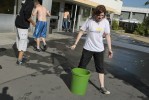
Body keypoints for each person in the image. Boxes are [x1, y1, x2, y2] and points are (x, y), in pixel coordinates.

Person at [71, 5, 113, 94]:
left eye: (102, 15)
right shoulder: (89, 20)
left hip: (99, 49)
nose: (100, 17)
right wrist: (75, 44)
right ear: (95, 13)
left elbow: (108, 35)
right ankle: (78, 83)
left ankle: (102, 87)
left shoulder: (105, 22)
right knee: (82, 66)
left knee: (100, 68)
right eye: (99, 15)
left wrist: (110, 49)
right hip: (88, 48)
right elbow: (81, 31)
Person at [15, 0, 35, 65]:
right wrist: (33, 22)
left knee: (19, 40)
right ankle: (19, 60)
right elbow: (27, 15)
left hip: (18, 23)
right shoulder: (31, 2)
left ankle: (20, 56)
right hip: (23, 25)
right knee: (23, 42)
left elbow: (23, 11)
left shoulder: (25, 1)